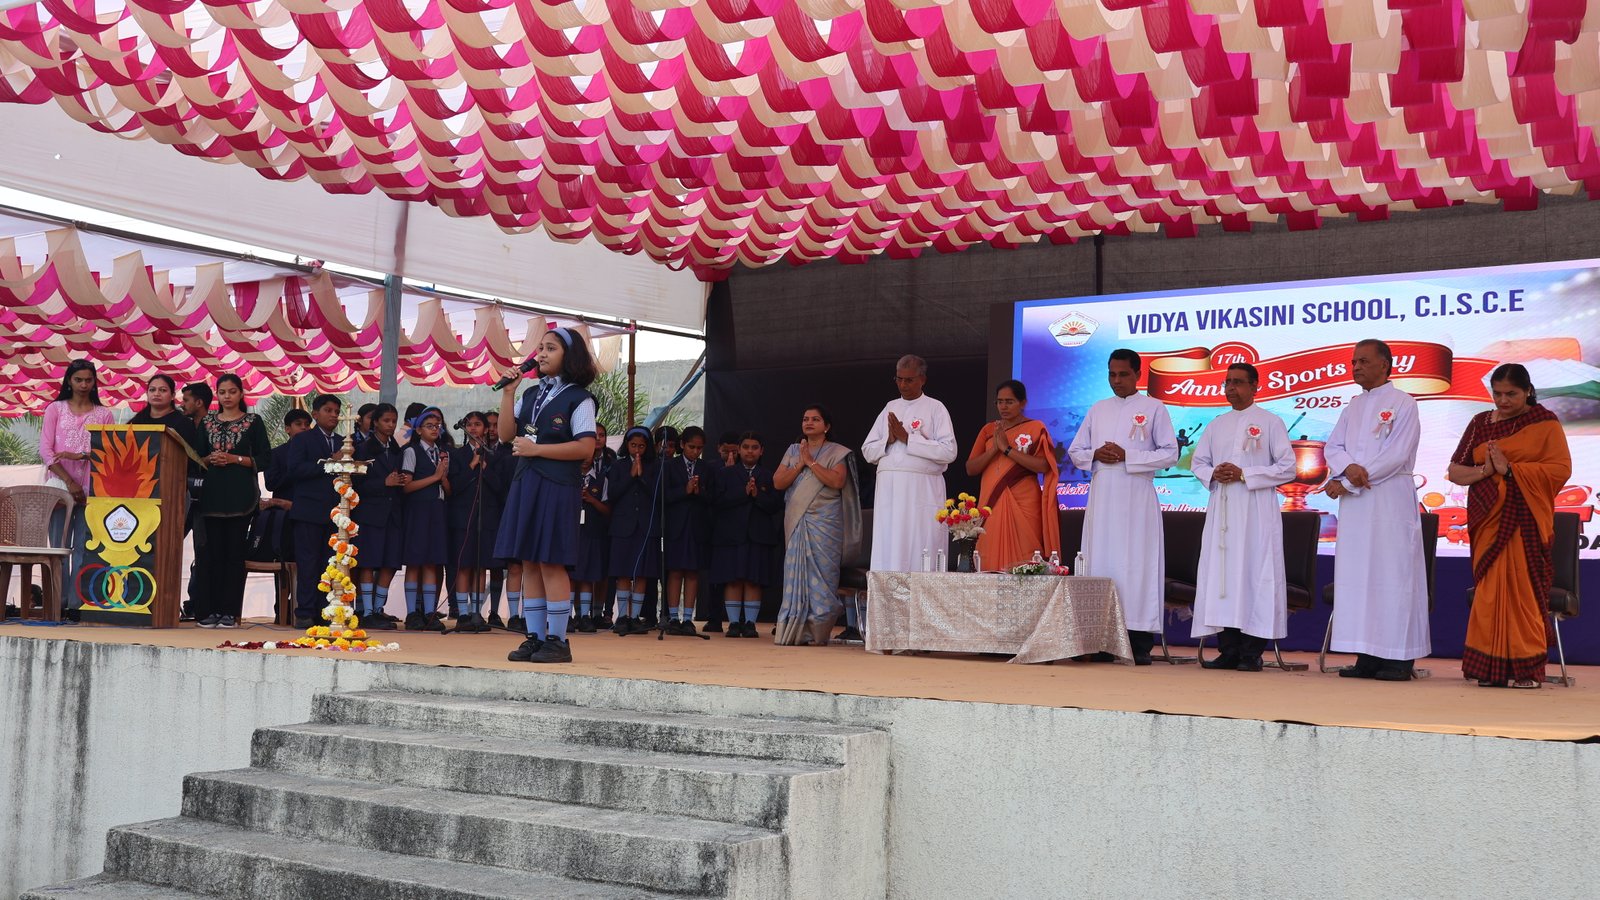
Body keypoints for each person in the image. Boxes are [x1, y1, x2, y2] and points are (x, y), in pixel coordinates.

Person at [1447, 363, 1571, 689]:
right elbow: (1456, 470)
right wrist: (1486, 472)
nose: (1503, 400)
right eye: (1497, 393)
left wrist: (1512, 470)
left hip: (1525, 520)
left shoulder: (1544, 422)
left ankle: (1527, 670)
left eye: (1511, 394)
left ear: (1528, 391)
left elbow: (1560, 470)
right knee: (1489, 593)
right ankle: (1490, 669)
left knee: (1522, 593)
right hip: (1487, 518)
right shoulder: (1480, 423)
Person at [1324, 339, 1431, 681]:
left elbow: (1396, 455)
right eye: (1353, 362)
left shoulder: (1404, 403)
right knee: (1358, 576)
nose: (1356, 367)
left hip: (1389, 500)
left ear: (1385, 365)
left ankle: (1399, 658)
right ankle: (1366, 655)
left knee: (1392, 575)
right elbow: (1333, 447)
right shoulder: (1352, 406)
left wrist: (1350, 481)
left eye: (1363, 361)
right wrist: (1347, 470)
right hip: (1357, 509)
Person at [494, 327, 600, 663]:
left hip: (556, 485)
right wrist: (508, 393)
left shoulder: (579, 398)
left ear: (570, 356)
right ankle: (536, 637)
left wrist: (537, 449)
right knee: (529, 560)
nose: (541, 354)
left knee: (551, 561)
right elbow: (505, 435)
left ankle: (558, 640)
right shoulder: (530, 394)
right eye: (540, 348)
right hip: (526, 482)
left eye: (550, 348)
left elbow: (585, 448)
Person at [1067, 349, 1178, 665]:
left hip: (1136, 499)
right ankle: (1100, 640)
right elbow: (1076, 451)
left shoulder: (1154, 408)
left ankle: (1138, 642)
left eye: (1123, 374)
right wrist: (1096, 454)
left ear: (1138, 374)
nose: (1117, 380)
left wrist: (1129, 456)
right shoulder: (1098, 409)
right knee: (1101, 563)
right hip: (1103, 498)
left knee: (1135, 565)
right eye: (1112, 374)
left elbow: (1170, 453)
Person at [1188, 364, 1297, 672]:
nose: (1231, 388)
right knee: (1223, 577)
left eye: (1237, 382)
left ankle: (1251, 653)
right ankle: (1228, 650)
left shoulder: (1270, 422)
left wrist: (1245, 473)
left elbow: (1288, 468)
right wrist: (1214, 472)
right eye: (1227, 382)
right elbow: (1198, 462)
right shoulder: (1216, 424)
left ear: (1254, 386)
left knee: (1252, 574)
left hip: (1255, 512)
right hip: (1222, 511)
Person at [861, 355, 959, 573]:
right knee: (889, 543)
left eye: (909, 380)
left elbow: (949, 451)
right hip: (889, 491)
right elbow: (867, 450)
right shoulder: (890, 407)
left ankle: (922, 594)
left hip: (921, 491)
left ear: (922, 379)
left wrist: (909, 439)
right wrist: (888, 440)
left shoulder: (935, 408)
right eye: (899, 379)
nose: (903, 385)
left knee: (920, 543)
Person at [774, 406, 861, 645]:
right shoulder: (793, 451)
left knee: (823, 575)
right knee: (795, 573)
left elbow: (837, 481)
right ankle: (794, 630)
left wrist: (811, 462)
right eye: (805, 419)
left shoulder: (837, 452)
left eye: (815, 419)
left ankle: (818, 630)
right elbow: (778, 482)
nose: (809, 423)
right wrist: (799, 464)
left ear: (827, 426)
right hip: (797, 520)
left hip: (825, 523)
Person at [192, 374, 271, 627]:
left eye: (232, 391)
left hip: (241, 498)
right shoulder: (207, 422)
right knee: (210, 556)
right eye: (222, 392)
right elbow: (195, 458)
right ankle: (209, 611)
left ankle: (229, 612)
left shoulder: (253, 422)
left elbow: (265, 458)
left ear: (241, 394)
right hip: (211, 497)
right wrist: (210, 459)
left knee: (234, 556)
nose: (227, 396)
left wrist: (234, 459)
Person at [39, 359, 116, 614]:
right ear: (69, 381)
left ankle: (76, 604)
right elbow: (46, 451)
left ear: (94, 383)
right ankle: (57, 603)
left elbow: (109, 452)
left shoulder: (104, 414)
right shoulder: (55, 409)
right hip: (60, 488)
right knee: (59, 547)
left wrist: (81, 456)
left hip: (93, 490)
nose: (83, 384)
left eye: (88, 380)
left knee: (84, 547)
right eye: (78, 379)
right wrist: (70, 482)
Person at [964, 379, 1060, 572]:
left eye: (1009, 401)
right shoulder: (989, 430)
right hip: (991, 501)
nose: (1003, 406)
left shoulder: (1035, 427)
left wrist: (1007, 449)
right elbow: (971, 468)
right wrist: (995, 449)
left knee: (1026, 553)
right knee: (990, 553)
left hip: (1024, 500)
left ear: (1023, 403)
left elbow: (1043, 465)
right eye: (1000, 402)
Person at [711, 432, 782, 638]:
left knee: (753, 579)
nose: (750, 451)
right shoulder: (725, 474)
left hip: (758, 535)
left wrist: (757, 495)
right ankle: (734, 623)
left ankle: (750, 623)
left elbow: (776, 505)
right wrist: (743, 493)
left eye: (754, 447)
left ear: (761, 451)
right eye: (746, 447)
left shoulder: (769, 475)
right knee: (733, 579)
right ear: (739, 450)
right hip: (730, 534)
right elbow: (717, 501)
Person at [284, 393, 344, 629]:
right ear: (315, 414)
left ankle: (324, 611)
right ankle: (305, 612)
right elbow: (295, 470)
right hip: (308, 511)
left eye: (336, 412)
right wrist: (330, 462)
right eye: (328, 411)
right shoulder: (303, 439)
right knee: (308, 563)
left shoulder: (343, 442)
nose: (333, 415)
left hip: (335, 512)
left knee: (329, 565)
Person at [446, 412, 504, 633]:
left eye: (477, 424)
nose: (473, 428)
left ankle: (476, 612)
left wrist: (485, 468)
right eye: (469, 424)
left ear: (486, 429)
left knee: (480, 566)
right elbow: (453, 487)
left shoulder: (495, 456)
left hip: (486, 517)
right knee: (464, 565)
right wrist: (471, 465)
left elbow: (500, 488)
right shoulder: (457, 454)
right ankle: (462, 614)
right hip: (462, 517)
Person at [351, 404, 404, 631]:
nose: (391, 425)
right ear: (375, 422)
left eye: (394, 421)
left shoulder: (397, 449)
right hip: (370, 513)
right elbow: (356, 485)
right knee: (368, 562)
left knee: (390, 563)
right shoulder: (363, 449)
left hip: (393, 513)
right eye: (386, 421)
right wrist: (384, 482)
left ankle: (377, 608)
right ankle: (366, 612)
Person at [606, 426, 661, 636]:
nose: (637, 449)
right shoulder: (618, 466)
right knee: (622, 572)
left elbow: (658, 494)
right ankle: (621, 617)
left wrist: (642, 476)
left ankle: (635, 616)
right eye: (633, 445)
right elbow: (612, 495)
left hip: (646, 527)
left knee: (642, 573)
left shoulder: (654, 466)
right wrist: (631, 476)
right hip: (622, 526)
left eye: (641, 446)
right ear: (627, 445)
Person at [400, 406, 450, 632]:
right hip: (418, 509)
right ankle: (412, 612)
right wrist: (435, 477)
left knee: (432, 560)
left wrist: (443, 478)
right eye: (429, 426)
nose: (434, 429)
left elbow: (448, 489)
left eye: (437, 426)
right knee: (415, 561)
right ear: (418, 430)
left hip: (437, 509)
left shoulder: (442, 453)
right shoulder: (411, 451)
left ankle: (430, 612)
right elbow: (407, 486)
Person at [662, 426, 711, 635]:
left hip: (697, 526)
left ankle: (688, 618)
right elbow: (663, 496)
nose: (695, 452)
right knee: (675, 571)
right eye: (691, 447)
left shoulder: (706, 468)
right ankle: (673, 617)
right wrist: (685, 490)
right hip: (675, 525)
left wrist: (699, 492)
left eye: (699, 448)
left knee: (692, 571)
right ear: (682, 444)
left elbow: (713, 497)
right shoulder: (669, 466)